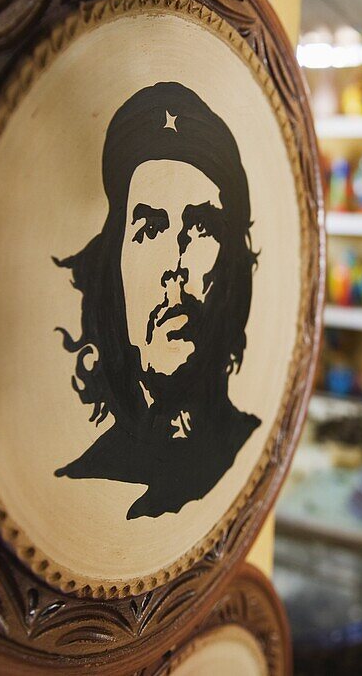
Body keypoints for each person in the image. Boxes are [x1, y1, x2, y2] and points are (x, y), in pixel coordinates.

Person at [53, 82, 260, 520]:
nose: (175, 265)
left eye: (201, 228)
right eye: (149, 230)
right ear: (114, 269)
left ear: (231, 267)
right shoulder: (86, 480)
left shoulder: (251, 449)